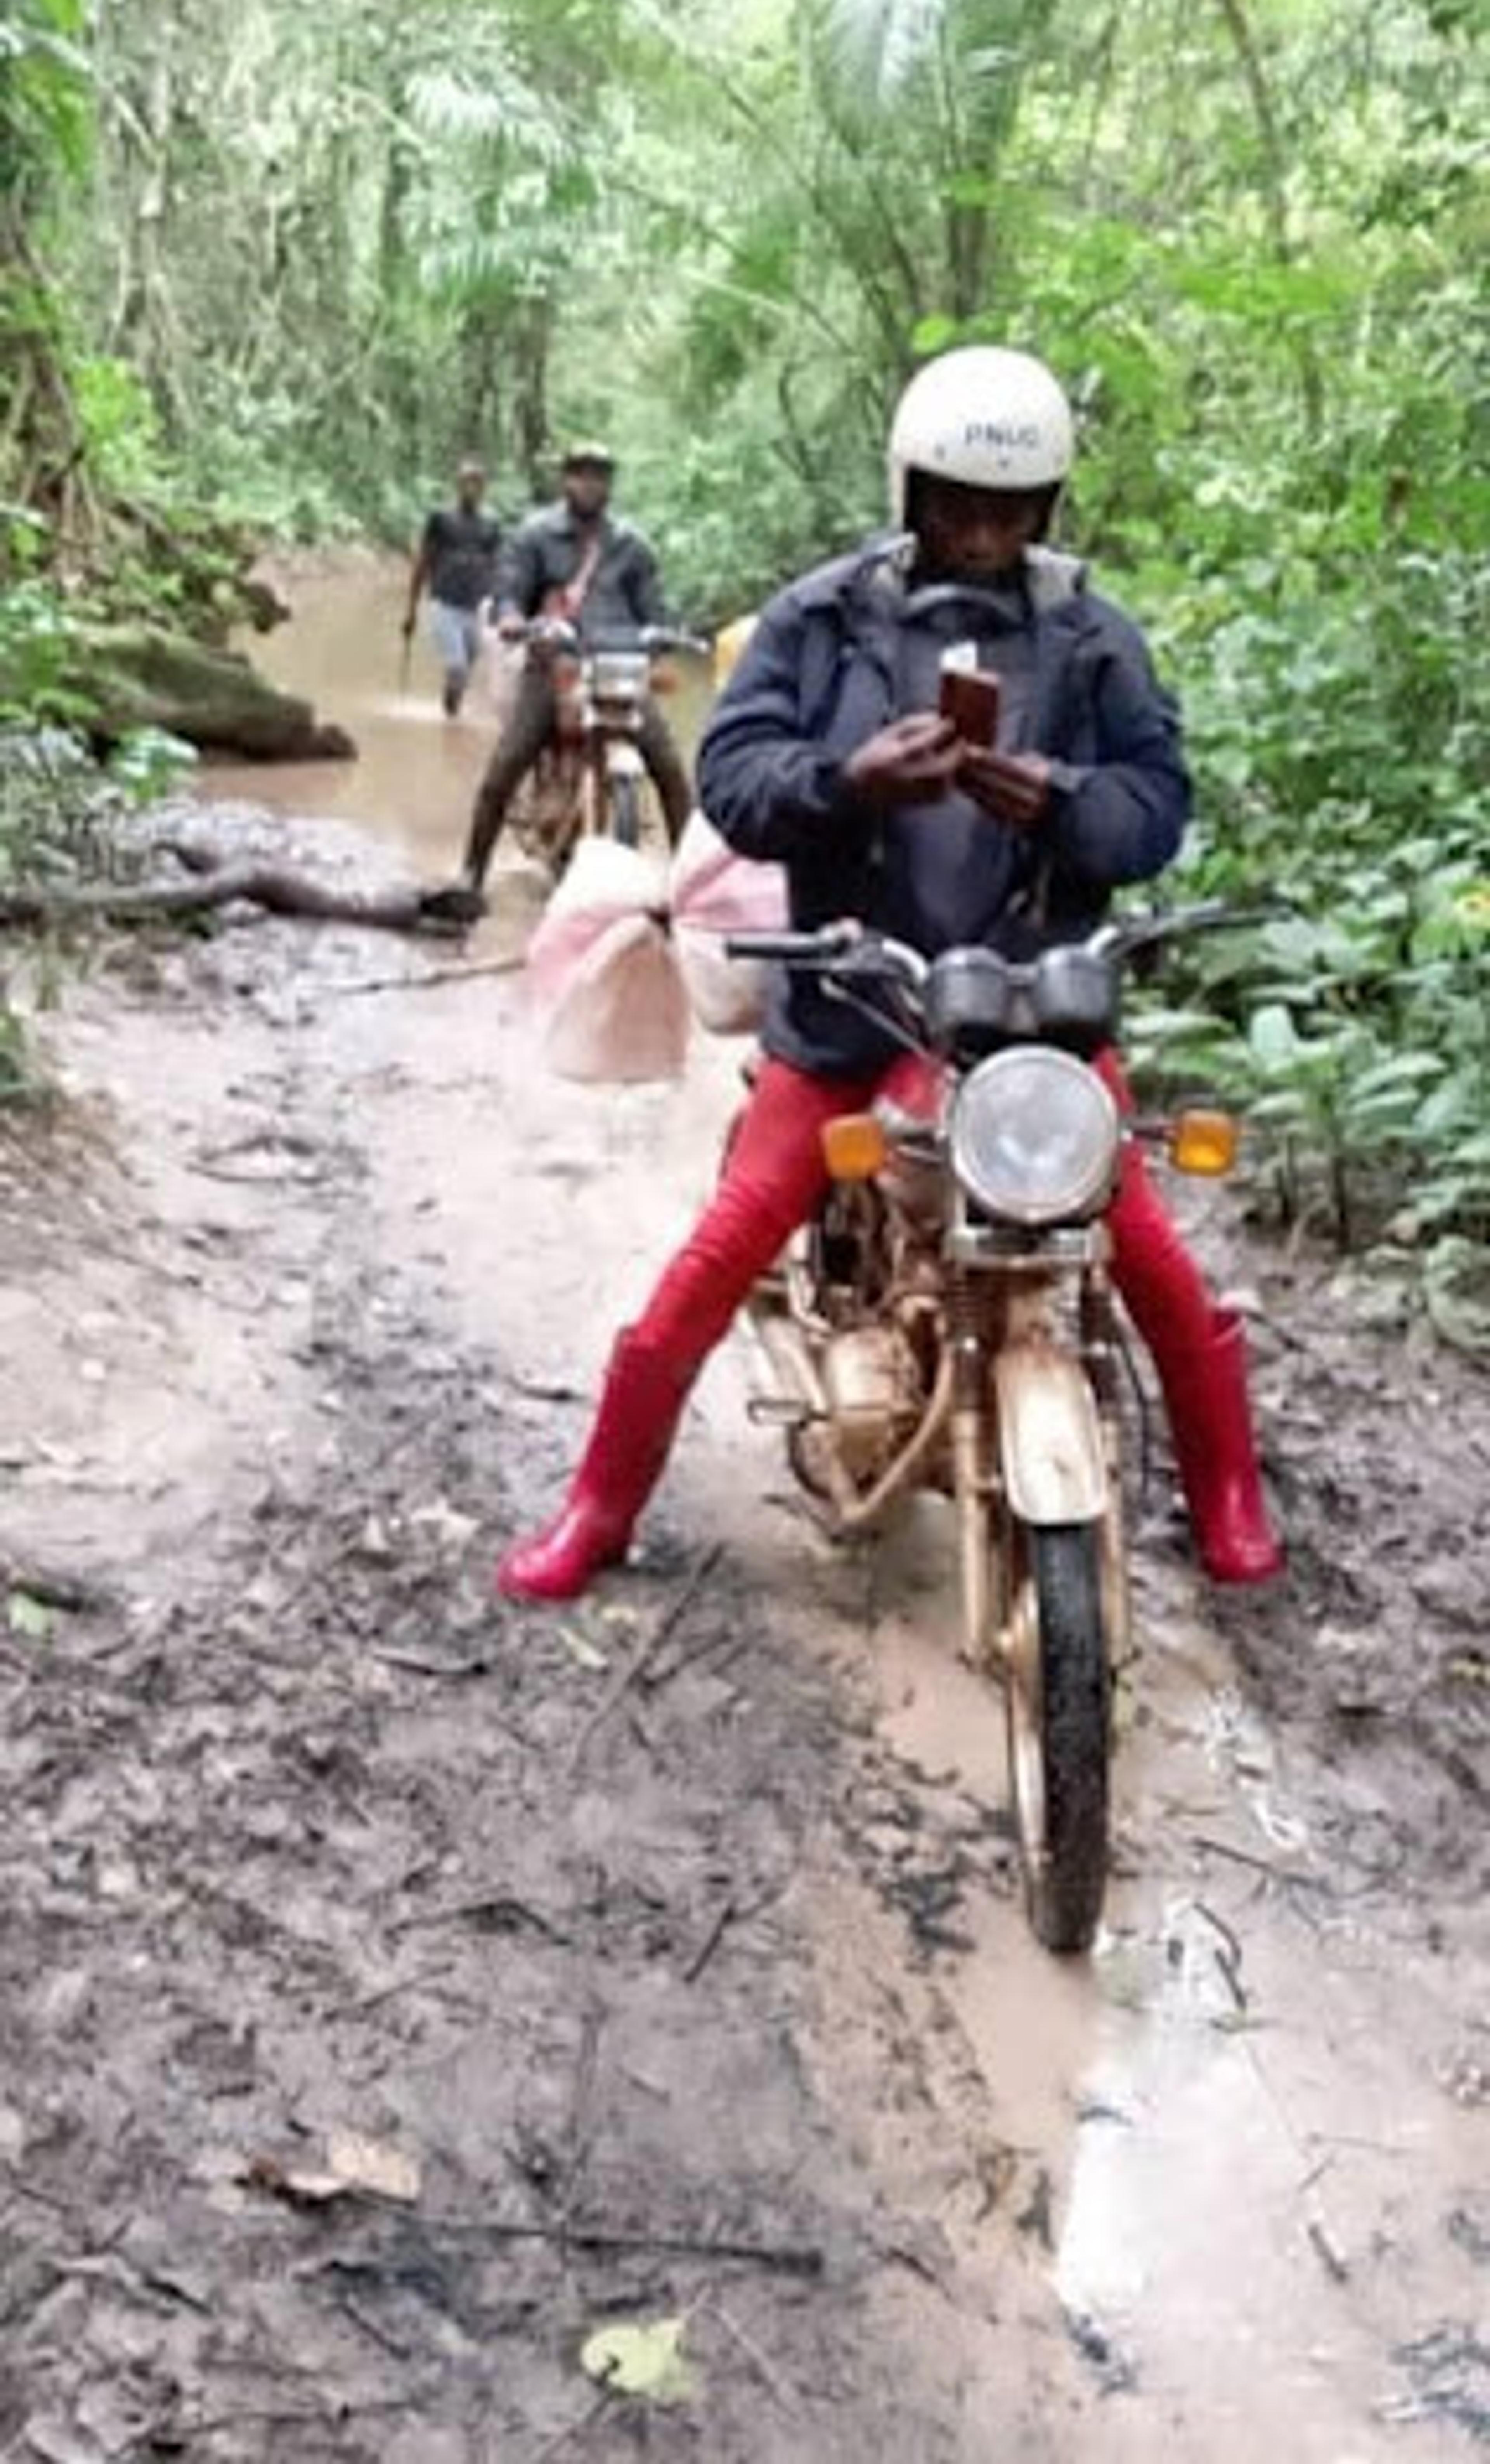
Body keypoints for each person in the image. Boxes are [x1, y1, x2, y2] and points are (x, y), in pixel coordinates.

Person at [495, 348, 1284, 1603]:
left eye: (1011, 509)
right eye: (958, 503)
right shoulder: (820, 618)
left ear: (1049, 509)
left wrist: (1068, 802)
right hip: (856, 1003)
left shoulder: (1092, 634)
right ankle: (600, 1506)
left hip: (1035, 1021)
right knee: (720, 1255)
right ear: (910, 491)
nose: (982, 530)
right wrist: (851, 779)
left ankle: (1229, 1491)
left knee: (1145, 1250)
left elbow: (1157, 810)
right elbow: (741, 780)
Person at [458, 442, 692, 893]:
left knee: (670, 767)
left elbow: (655, 609)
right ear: (566, 481)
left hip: (619, 670)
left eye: (600, 475)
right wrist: (511, 619)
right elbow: (510, 592)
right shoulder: (534, 536)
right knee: (506, 765)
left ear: (610, 484)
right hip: (556, 667)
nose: (591, 484)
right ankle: (471, 875)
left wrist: (666, 632)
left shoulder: (632, 546)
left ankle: (688, 885)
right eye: (581, 474)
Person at [403, 458, 503, 718]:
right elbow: (423, 563)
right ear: (458, 486)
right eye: (467, 482)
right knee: (457, 667)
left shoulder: (492, 524)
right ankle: (450, 718)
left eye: (477, 483)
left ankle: (451, 713)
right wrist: (411, 610)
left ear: (484, 488)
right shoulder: (440, 519)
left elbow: (498, 567)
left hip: (476, 609)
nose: (472, 488)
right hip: (444, 604)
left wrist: (500, 607)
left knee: (465, 671)